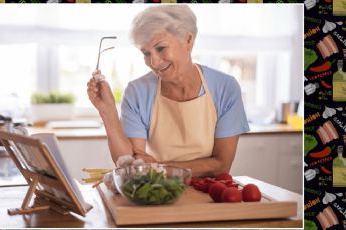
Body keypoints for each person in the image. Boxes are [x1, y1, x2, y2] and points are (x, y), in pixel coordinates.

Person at [87, 5, 249, 177]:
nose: (154, 62)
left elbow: (221, 165)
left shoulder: (225, 87)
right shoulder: (138, 91)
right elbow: (130, 162)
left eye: (161, 48)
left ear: (188, 40)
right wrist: (108, 112)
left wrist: (159, 167)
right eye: (145, 53)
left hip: (209, 193)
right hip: (158, 192)